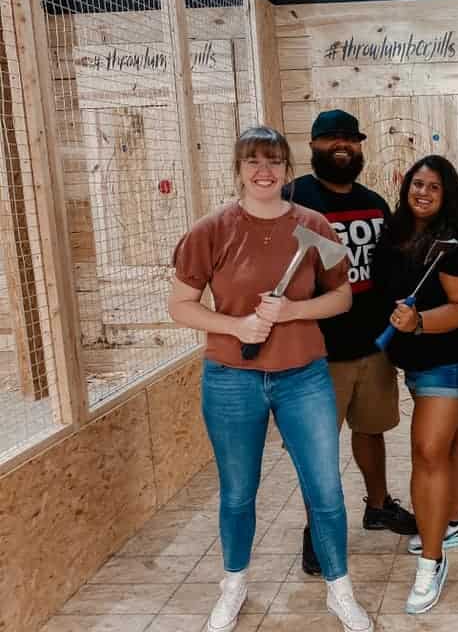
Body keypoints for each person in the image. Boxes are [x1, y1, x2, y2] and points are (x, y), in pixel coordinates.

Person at [168, 126, 371, 632]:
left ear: (288, 169)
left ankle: (339, 590)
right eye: (253, 161)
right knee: (238, 492)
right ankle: (233, 585)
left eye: (275, 161)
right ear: (237, 169)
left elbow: (341, 296)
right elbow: (180, 306)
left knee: (325, 490)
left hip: (304, 377)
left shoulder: (313, 226)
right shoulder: (210, 231)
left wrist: (291, 312)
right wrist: (237, 325)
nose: (265, 171)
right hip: (232, 380)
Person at [286, 109, 417, 577]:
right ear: (314, 145)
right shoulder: (294, 196)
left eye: (351, 139)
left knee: (372, 430)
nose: (342, 145)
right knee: (317, 446)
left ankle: (377, 505)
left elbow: (385, 271)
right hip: (316, 351)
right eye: (331, 138)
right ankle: (315, 530)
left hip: (372, 345)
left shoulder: (374, 202)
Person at [372, 154, 458, 614]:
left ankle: (432, 560)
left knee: (428, 449)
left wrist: (417, 323)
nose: (423, 192)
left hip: (450, 356)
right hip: (413, 358)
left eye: (434, 187)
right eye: (417, 183)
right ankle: (452, 522)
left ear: (447, 194)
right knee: (451, 436)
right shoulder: (395, 232)